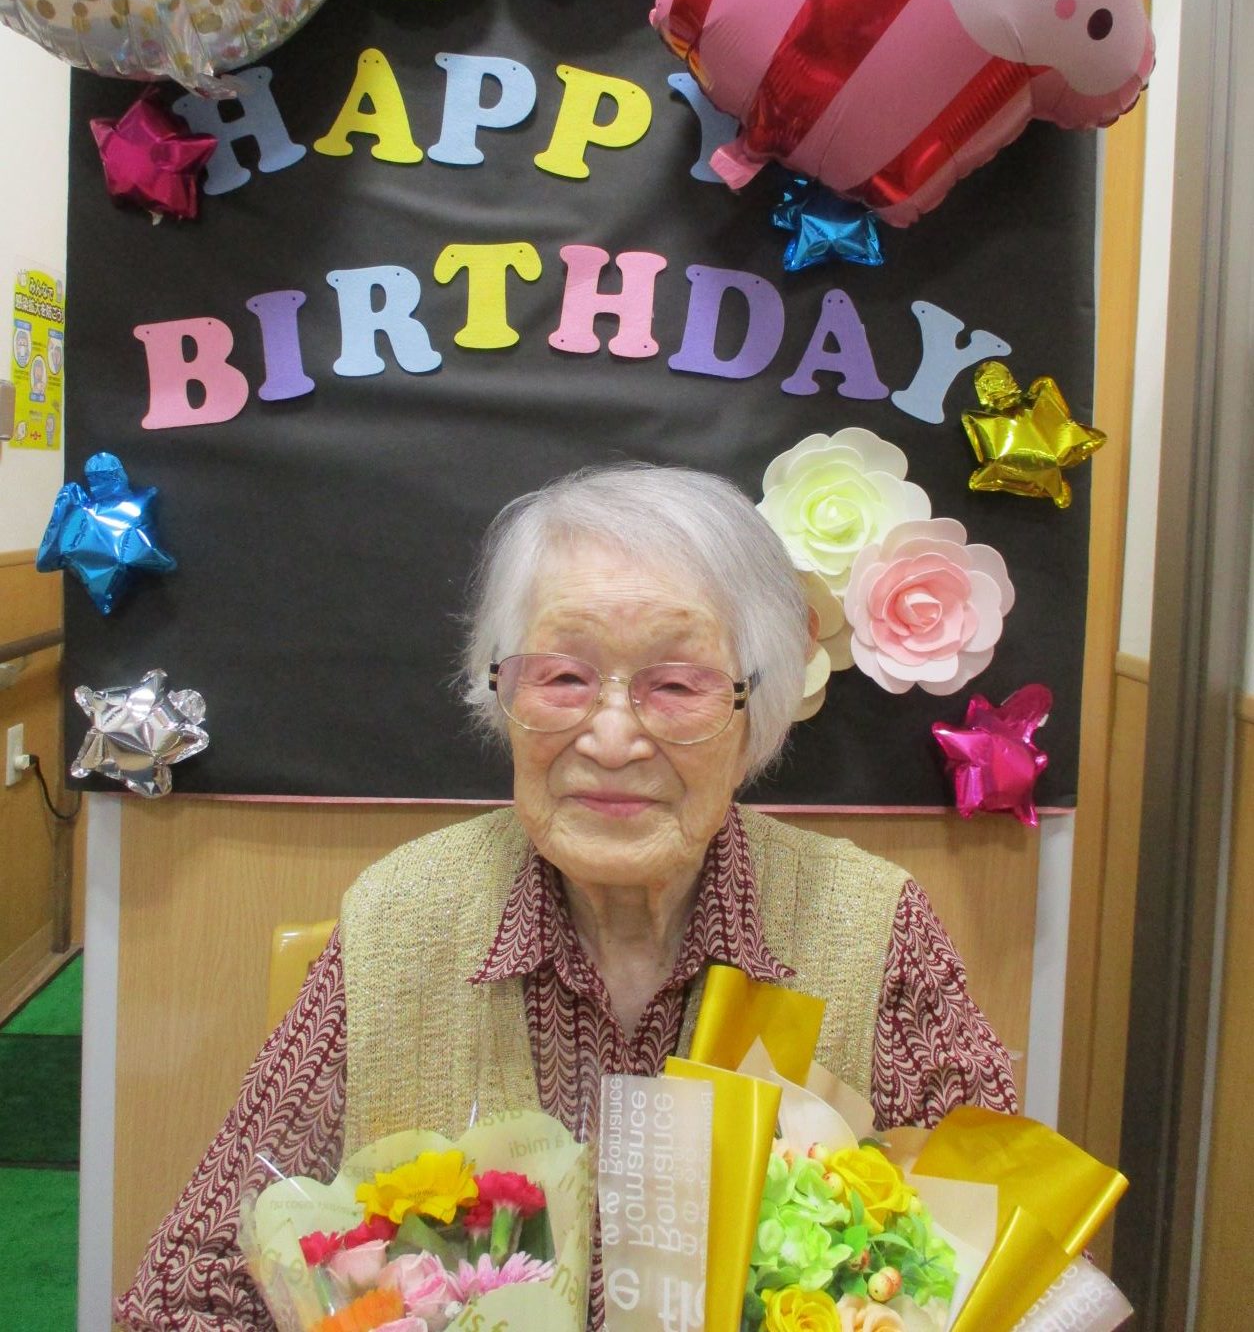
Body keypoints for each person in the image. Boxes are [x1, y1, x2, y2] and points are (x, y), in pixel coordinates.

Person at [117, 464, 1016, 1331]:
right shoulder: (398, 921)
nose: (612, 739)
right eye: (564, 678)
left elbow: (1021, 1282)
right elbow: (187, 1296)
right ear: (503, 694)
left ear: (757, 712)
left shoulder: (870, 928)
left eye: (677, 684)